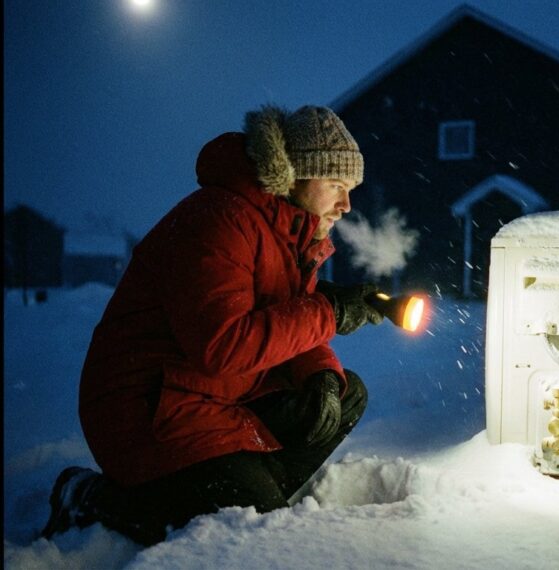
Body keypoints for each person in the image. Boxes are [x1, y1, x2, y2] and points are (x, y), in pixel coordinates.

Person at [40, 104, 384, 546]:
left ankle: (237, 488)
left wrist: (319, 373)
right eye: (336, 185)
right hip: (147, 409)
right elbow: (223, 345)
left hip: (216, 397)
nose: (346, 205)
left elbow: (287, 317)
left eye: (350, 190)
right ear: (296, 175)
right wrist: (329, 313)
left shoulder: (291, 234)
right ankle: (89, 496)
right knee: (246, 518)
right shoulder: (221, 220)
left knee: (342, 394)